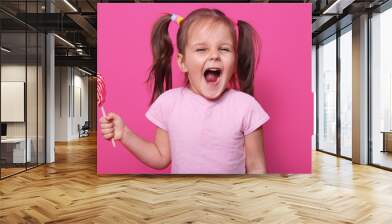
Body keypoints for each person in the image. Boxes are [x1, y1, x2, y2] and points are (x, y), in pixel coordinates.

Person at [101, 8, 270, 174]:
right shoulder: (169, 103)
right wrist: (125, 134)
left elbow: (256, 167)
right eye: (201, 49)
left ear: (234, 62)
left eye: (224, 49)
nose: (214, 56)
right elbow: (160, 157)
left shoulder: (246, 107)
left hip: (230, 200)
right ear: (182, 62)